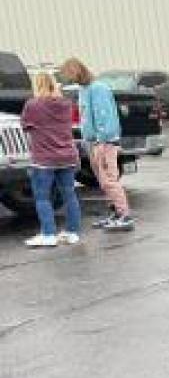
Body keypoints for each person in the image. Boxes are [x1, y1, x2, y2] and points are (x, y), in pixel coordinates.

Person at [60, 57, 135, 231]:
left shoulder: (98, 89)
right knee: (102, 181)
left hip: (104, 142)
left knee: (109, 179)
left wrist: (103, 140)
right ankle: (116, 212)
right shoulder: (84, 89)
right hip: (92, 142)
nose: (69, 80)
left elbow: (104, 116)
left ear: (77, 71)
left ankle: (125, 215)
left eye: (69, 75)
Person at [20, 72, 82, 248]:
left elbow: (25, 126)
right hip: (67, 156)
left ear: (37, 85)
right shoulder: (66, 104)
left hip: (44, 159)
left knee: (42, 197)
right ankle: (72, 232)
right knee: (69, 195)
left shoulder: (33, 105)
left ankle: (48, 234)